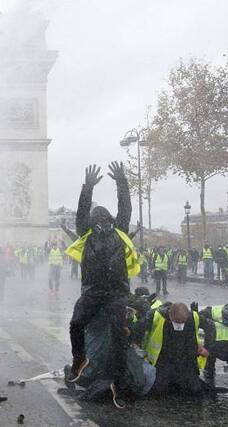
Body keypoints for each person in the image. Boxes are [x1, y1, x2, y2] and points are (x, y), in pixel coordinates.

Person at [64, 162, 137, 409]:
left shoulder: (120, 230)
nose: (102, 220)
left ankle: (119, 381)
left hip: (115, 292)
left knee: (117, 336)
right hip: (95, 290)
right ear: (94, 221)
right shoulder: (86, 232)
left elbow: (125, 207)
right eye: (99, 218)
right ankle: (80, 360)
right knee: (77, 323)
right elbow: (82, 211)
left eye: (105, 218)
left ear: (110, 220)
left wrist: (121, 182)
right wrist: (88, 187)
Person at [133, 302, 207, 396]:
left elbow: (210, 327)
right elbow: (137, 330)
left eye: (183, 321)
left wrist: (207, 348)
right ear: (170, 315)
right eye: (177, 321)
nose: (180, 325)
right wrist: (136, 346)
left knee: (194, 391)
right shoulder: (156, 316)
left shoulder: (193, 317)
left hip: (185, 359)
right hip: (162, 359)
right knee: (158, 391)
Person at [198, 304, 228, 379]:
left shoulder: (215, 310)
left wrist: (195, 313)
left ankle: (209, 372)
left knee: (209, 351)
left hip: (215, 345)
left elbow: (198, 320)